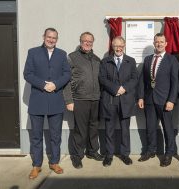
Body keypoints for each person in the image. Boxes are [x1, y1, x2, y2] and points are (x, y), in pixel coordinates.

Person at [23, 28, 71, 179]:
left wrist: (55, 84)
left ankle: (54, 162)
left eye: (54, 38)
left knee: (55, 135)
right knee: (36, 136)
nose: (51, 40)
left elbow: (67, 74)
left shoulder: (62, 54)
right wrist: (43, 85)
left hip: (55, 100)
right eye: (49, 37)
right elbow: (28, 74)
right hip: (37, 100)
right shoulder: (33, 52)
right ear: (44, 37)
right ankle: (37, 165)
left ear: (57, 39)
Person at [138, 33, 179, 167]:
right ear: (154, 43)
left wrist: (171, 100)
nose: (159, 44)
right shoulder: (148, 59)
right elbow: (143, 81)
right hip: (149, 100)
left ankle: (169, 153)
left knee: (167, 128)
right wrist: (141, 97)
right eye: (157, 42)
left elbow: (175, 82)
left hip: (165, 101)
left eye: (162, 42)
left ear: (166, 43)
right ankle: (151, 150)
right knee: (150, 127)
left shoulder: (171, 60)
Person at [63, 32, 103, 169]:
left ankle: (92, 151)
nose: (87, 43)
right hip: (80, 99)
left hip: (96, 99)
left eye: (90, 41)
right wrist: (69, 100)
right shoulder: (72, 57)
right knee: (80, 130)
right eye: (85, 40)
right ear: (80, 41)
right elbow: (66, 81)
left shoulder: (97, 59)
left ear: (93, 42)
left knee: (93, 128)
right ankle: (77, 156)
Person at [99, 36, 138, 167]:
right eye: (116, 45)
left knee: (125, 130)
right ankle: (109, 155)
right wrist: (116, 89)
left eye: (121, 45)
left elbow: (134, 78)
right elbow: (102, 79)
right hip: (110, 100)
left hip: (125, 100)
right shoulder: (105, 61)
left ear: (124, 45)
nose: (118, 48)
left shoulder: (131, 61)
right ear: (112, 46)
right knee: (109, 129)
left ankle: (125, 154)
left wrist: (124, 88)